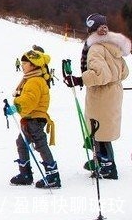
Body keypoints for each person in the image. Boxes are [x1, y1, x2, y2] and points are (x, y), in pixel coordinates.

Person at [64, 13, 130, 179]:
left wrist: (79, 80)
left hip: (101, 95)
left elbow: (101, 75)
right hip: (113, 93)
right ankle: (103, 161)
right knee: (103, 130)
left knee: (98, 130)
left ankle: (107, 166)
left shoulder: (96, 48)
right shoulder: (113, 46)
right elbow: (125, 72)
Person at [7, 49, 60, 188]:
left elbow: (30, 100)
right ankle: (25, 174)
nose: (22, 65)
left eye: (25, 63)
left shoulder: (34, 81)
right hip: (31, 118)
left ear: (33, 65)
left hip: (34, 119)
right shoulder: (32, 79)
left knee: (40, 144)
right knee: (22, 142)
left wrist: (16, 107)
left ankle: (52, 175)